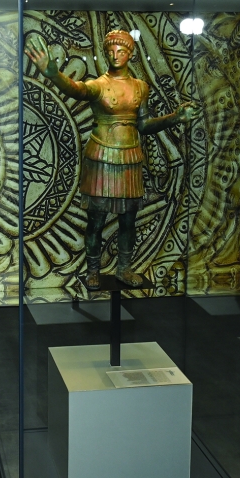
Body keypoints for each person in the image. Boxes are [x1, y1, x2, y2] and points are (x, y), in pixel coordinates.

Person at [26, 29, 199, 288]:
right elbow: (77, 89)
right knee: (96, 220)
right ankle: (93, 270)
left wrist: (175, 117)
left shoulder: (140, 87)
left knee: (128, 220)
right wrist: (54, 75)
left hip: (130, 157)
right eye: (110, 51)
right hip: (101, 157)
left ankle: (124, 269)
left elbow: (144, 125)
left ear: (130, 54)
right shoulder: (99, 85)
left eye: (121, 51)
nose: (115, 55)